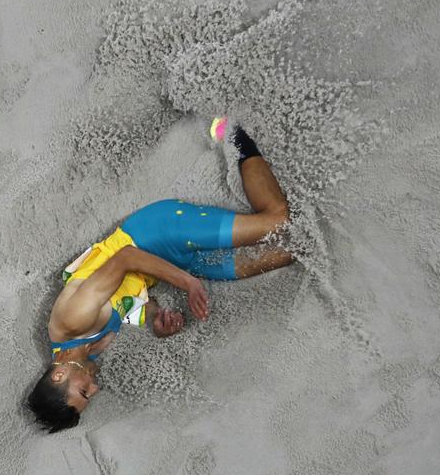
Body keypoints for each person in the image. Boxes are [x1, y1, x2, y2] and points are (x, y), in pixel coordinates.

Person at [27, 117, 293, 432]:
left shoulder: (72, 320)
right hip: (166, 263)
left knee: (277, 222)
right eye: (90, 396)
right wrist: (155, 320)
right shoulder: (89, 353)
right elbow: (126, 302)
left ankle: (234, 133)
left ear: (59, 375)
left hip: (153, 233)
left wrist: (187, 282)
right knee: (287, 254)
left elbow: (126, 258)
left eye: (83, 391)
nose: (94, 389)